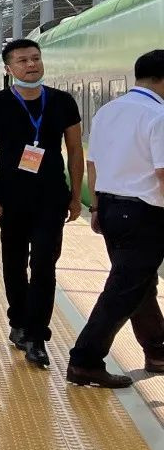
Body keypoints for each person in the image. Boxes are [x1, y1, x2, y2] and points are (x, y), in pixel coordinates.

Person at [0, 39, 83, 369]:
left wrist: (76, 196)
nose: (31, 65)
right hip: (11, 198)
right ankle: (18, 322)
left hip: (51, 197)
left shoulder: (63, 102)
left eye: (36, 58)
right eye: (22, 60)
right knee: (14, 263)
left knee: (44, 265)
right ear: (9, 68)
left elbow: (75, 151)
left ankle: (37, 337)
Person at [67, 50, 164, 388]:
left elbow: (93, 163)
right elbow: (163, 173)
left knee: (140, 285)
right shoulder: (158, 115)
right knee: (123, 290)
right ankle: (85, 361)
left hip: (111, 207)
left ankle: (157, 351)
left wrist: (96, 207)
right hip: (144, 214)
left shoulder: (107, 111)